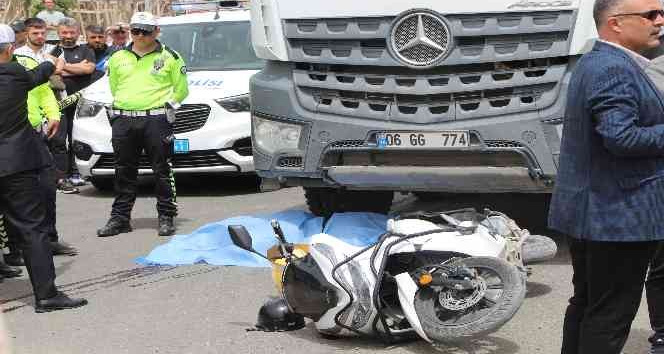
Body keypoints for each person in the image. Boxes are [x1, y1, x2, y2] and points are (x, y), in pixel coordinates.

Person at [548, 0, 664, 353]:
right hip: (618, 216)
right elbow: (622, 137)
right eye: (650, 15)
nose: (660, 21)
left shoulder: (599, 60)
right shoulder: (612, 67)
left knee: (588, 304)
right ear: (615, 23)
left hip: (598, 212)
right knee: (609, 315)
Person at [0, 23, 87, 312]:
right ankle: (47, 295)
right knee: (32, 229)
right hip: (16, 165)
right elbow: (40, 73)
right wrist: (52, 61)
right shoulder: (13, 73)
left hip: (15, 163)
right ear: (10, 49)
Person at [97, 12, 188, 237]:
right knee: (123, 170)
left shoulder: (171, 57)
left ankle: (166, 216)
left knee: (162, 170)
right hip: (124, 119)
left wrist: (168, 107)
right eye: (135, 30)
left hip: (155, 119)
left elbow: (182, 89)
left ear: (156, 32)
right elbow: (115, 87)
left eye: (145, 31)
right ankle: (120, 218)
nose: (139, 35)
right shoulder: (118, 57)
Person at [51, 18, 95, 188]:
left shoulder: (86, 50)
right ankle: (61, 177)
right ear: (58, 32)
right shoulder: (52, 50)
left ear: (78, 33)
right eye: (64, 32)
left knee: (78, 139)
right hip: (59, 103)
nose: (68, 36)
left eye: (71, 32)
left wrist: (62, 67)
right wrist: (76, 68)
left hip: (81, 104)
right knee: (59, 141)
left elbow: (88, 69)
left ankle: (77, 173)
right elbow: (51, 74)